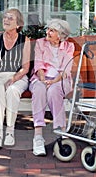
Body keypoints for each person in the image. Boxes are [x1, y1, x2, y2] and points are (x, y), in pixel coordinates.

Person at [0, 8, 31, 149]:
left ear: (18, 24)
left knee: (12, 91)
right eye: (5, 17)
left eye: (10, 18)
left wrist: (14, 78)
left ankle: (10, 131)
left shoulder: (24, 40)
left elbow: (25, 67)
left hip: (19, 77)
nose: (6, 20)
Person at [29, 19, 75, 156]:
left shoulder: (69, 46)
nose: (47, 32)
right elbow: (38, 64)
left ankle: (60, 133)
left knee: (54, 91)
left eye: (52, 30)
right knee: (39, 89)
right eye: (48, 29)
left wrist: (54, 81)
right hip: (41, 78)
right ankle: (38, 136)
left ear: (60, 35)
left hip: (61, 79)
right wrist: (43, 80)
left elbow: (66, 68)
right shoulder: (40, 43)